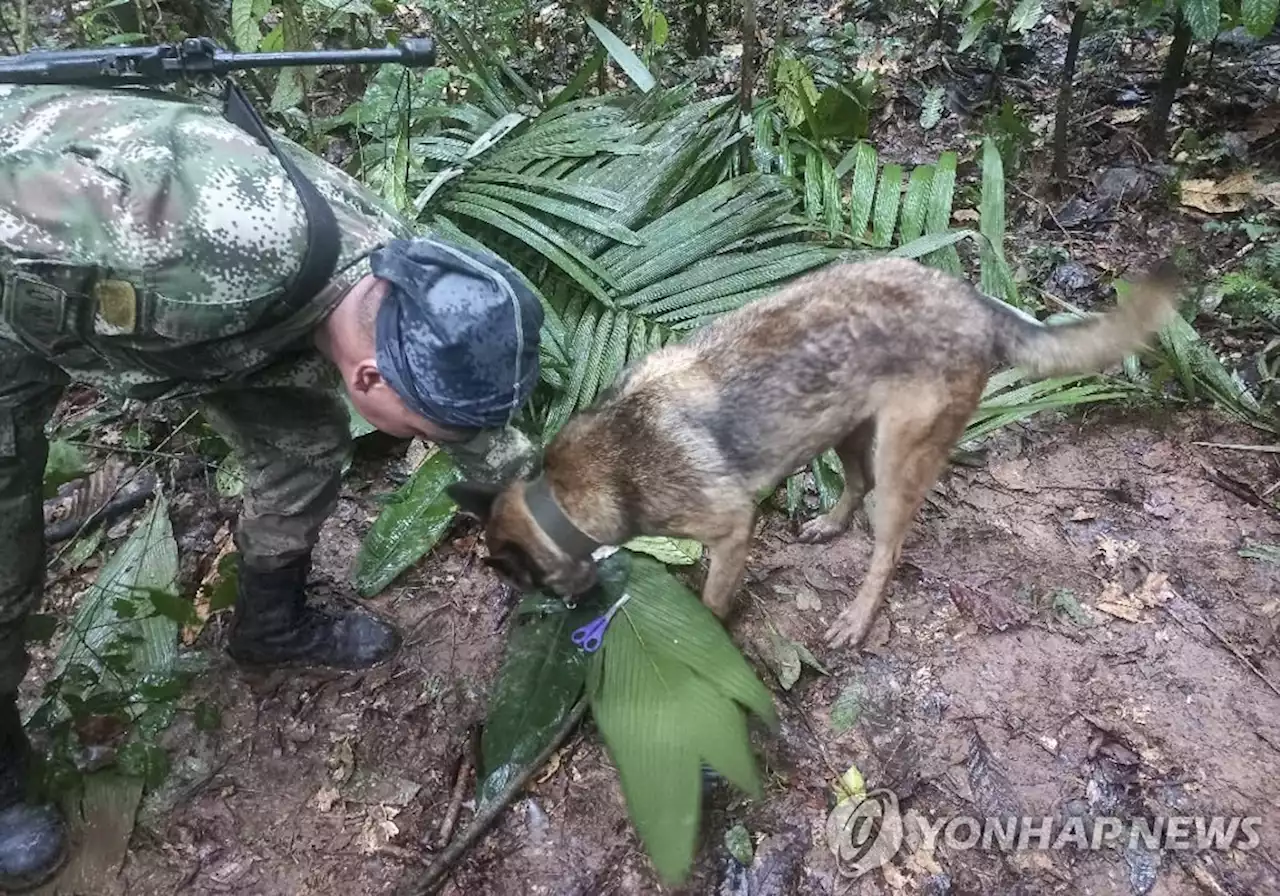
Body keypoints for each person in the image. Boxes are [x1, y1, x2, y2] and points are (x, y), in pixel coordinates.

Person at [0, 80, 544, 889]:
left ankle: (271, 624)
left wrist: (563, 540)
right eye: (425, 432)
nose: (433, 445)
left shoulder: (405, 281)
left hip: (208, 328)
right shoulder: (198, 242)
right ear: (370, 376)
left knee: (302, 446)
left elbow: (478, 429)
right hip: (24, 288)